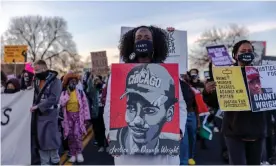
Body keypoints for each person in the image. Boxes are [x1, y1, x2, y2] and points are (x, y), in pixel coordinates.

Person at [103, 25, 187, 165]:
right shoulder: (118, 74)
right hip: (128, 158)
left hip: (163, 159)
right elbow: (109, 106)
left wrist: (179, 130)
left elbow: (181, 105)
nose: (143, 40)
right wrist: (109, 133)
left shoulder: (168, 74)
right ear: (132, 43)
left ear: (155, 43)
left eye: (147, 38)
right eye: (139, 38)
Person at [204, 40, 267, 165]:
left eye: (249, 51)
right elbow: (215, 102)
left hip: (257, 130)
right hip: (234, 130)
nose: (247, 53)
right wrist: (207, 91)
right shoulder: (225, 74)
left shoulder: (261, 73)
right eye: (243, 51)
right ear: (235, 55)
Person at [110, 64, 179, 155]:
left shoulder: (172, 144)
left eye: (149, 110)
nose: (137, 121)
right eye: (131, 108)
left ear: (169, 113)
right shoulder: (114, 140)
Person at [31, 59, 62, 165]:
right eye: (35, 71)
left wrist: (38, 106)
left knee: (52, 143)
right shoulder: (35, 81)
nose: (36, 73)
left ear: (44, 68)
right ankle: (44, 163)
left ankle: (55, 161)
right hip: (38, 116)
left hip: (50, 116)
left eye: (38, 70)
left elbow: (54, 98)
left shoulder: (56, 81)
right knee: (41, 143)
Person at [59, 72, 90, 163]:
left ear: (76, 82)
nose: (73, 82)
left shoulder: (80, 92)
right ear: (67, 82)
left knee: (78, 135)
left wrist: (86, 118)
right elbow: (61, 103)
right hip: (68, 117)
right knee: (70, 136)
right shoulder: (64, 92)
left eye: (74, 81)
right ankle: (72, 154)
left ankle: (79, 153)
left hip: (78, 117)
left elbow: (85, 106)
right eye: (71, 81)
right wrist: (68, 94)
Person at [93, 76, 108, 152]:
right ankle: (101, 145)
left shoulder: (105, 87)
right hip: (96, 110)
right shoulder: (93, 89)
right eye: (95, 80)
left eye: (98, 80)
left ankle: (108, 145)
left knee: (106, 127)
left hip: (104, 109)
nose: (97, 82)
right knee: (98, 129)